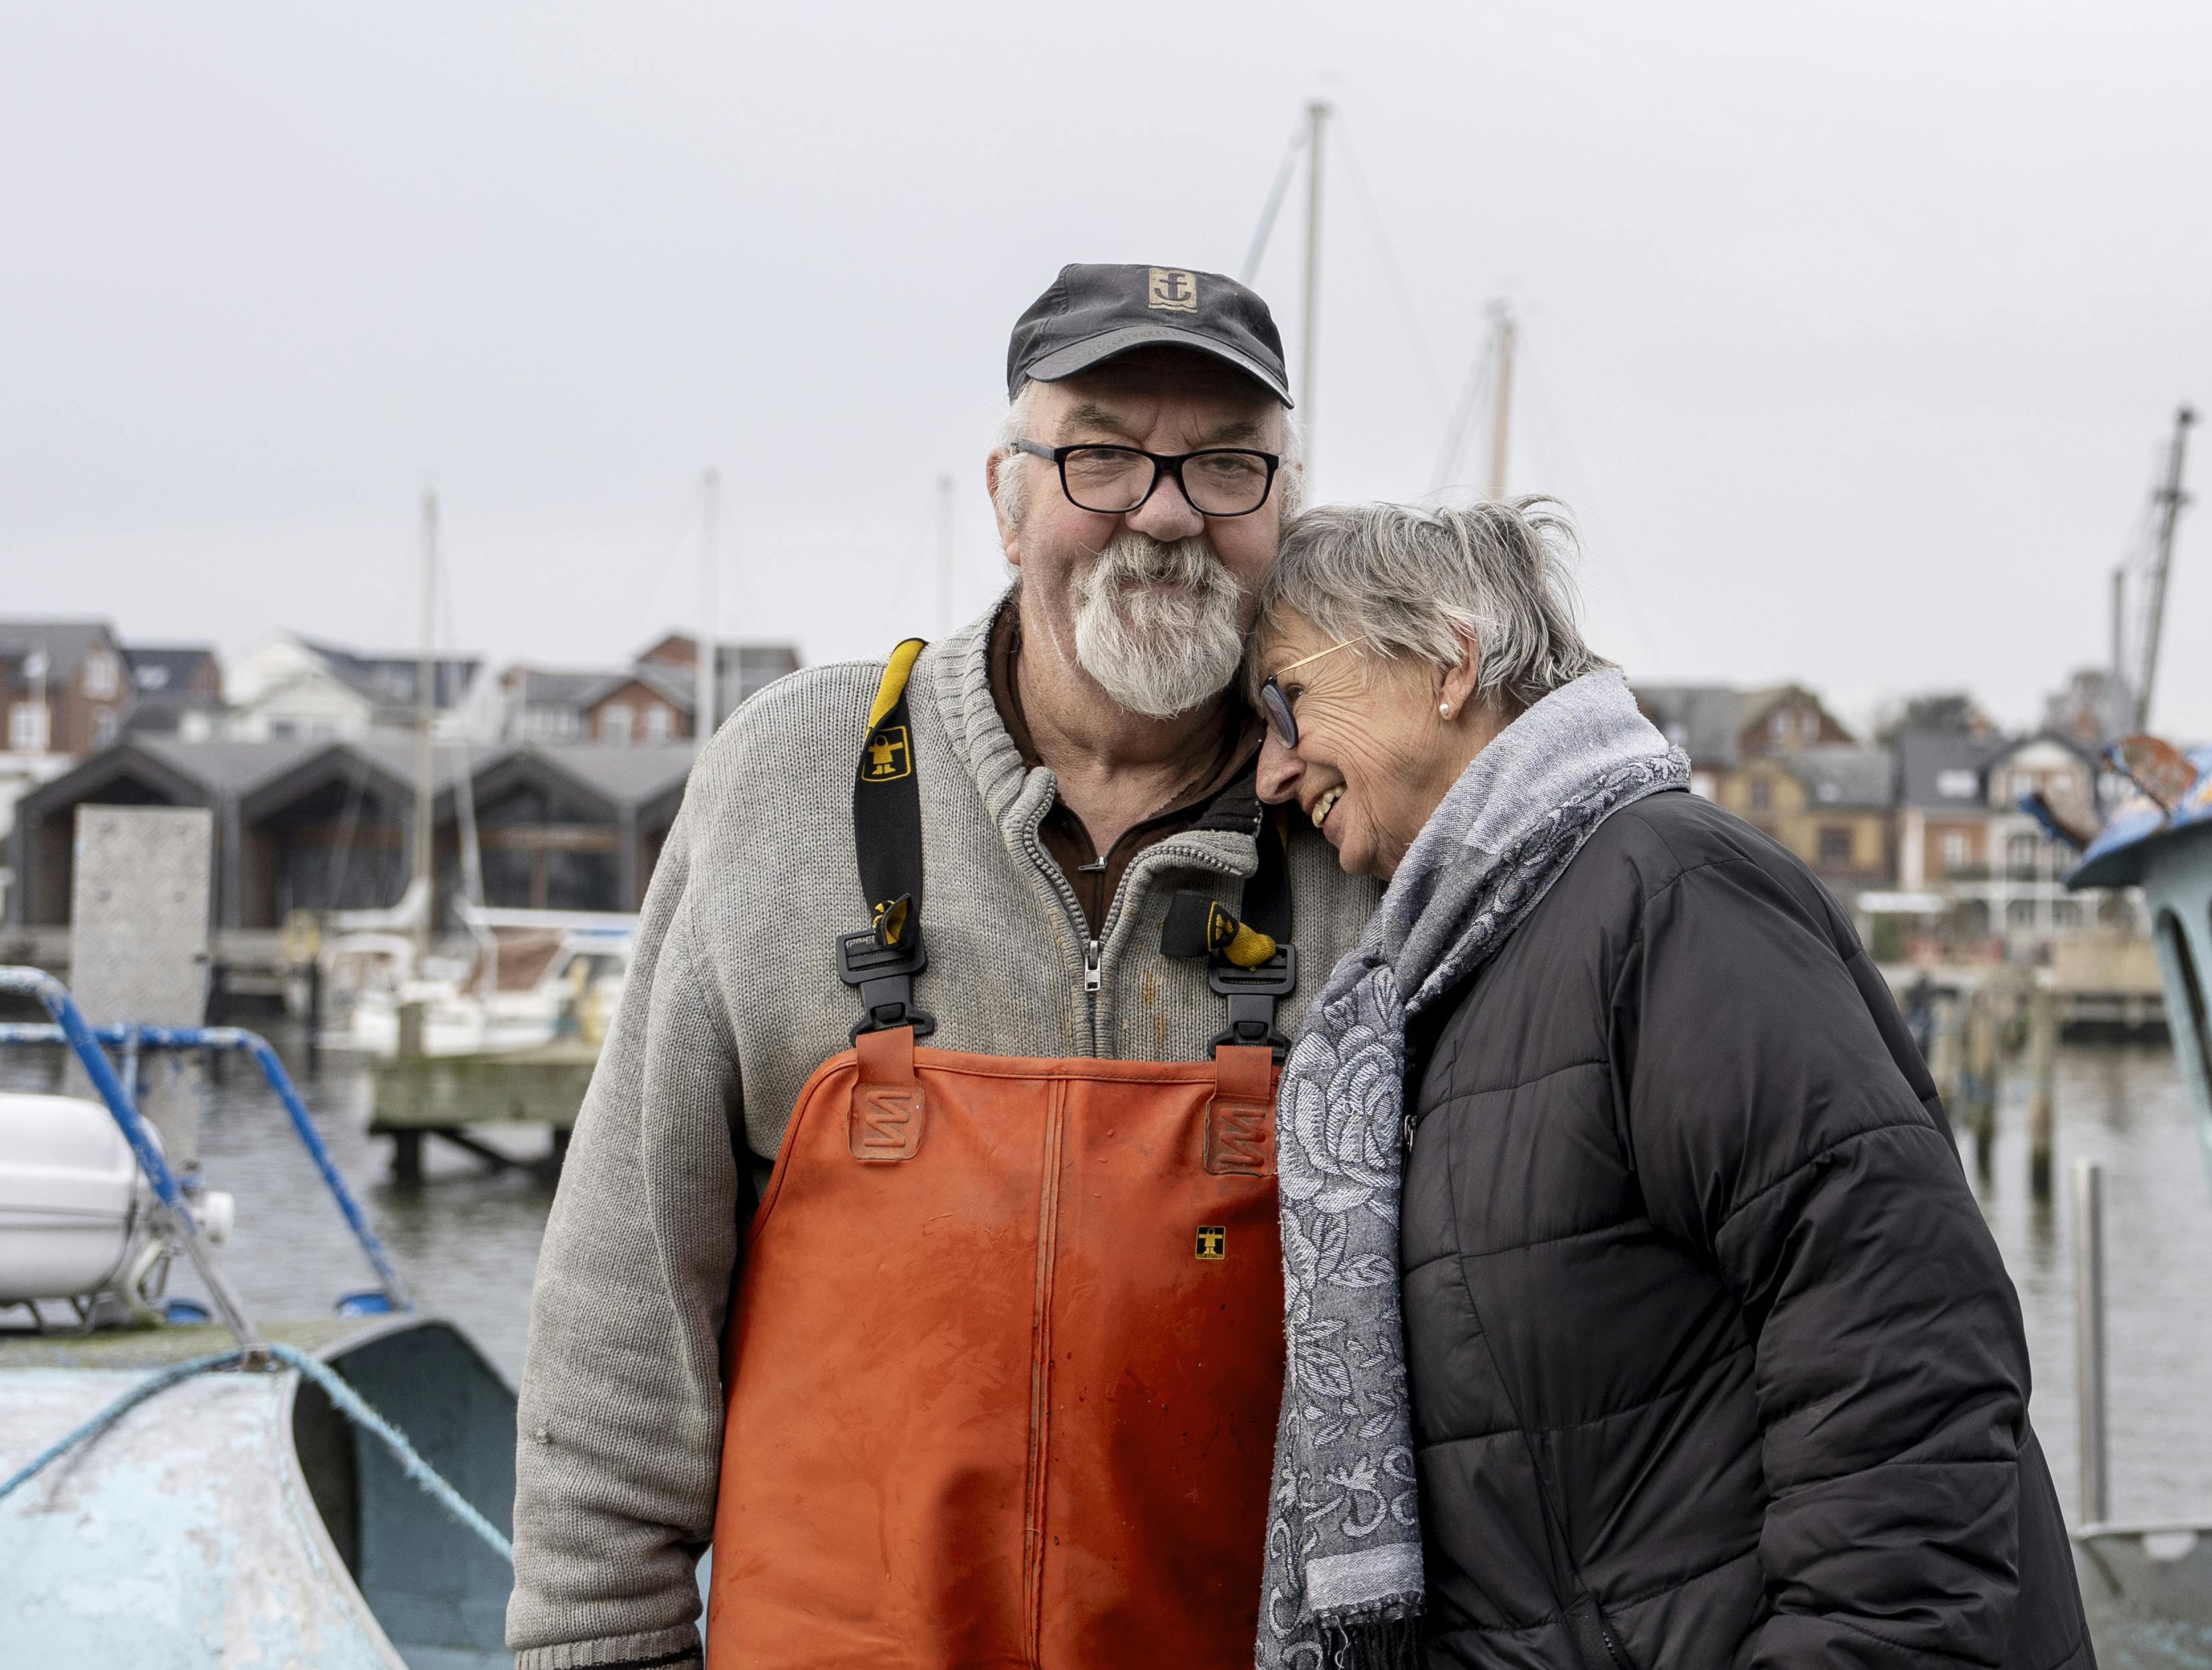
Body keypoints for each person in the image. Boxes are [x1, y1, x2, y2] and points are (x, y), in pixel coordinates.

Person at [506, 264, 1381, 1670]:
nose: (1162, 510)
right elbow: (624, 1307)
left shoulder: (1364, 824)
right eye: (1098, 452)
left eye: (1226, 464)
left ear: (1283, 506)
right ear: (1005, 492)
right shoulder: (787, 777)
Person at [1247, 500, 2091, 1670]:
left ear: (1448, 662)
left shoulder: (1666, 895)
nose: (1272, 771)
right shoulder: (1455, 973)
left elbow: (1903, 1348)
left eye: (1285, 700)